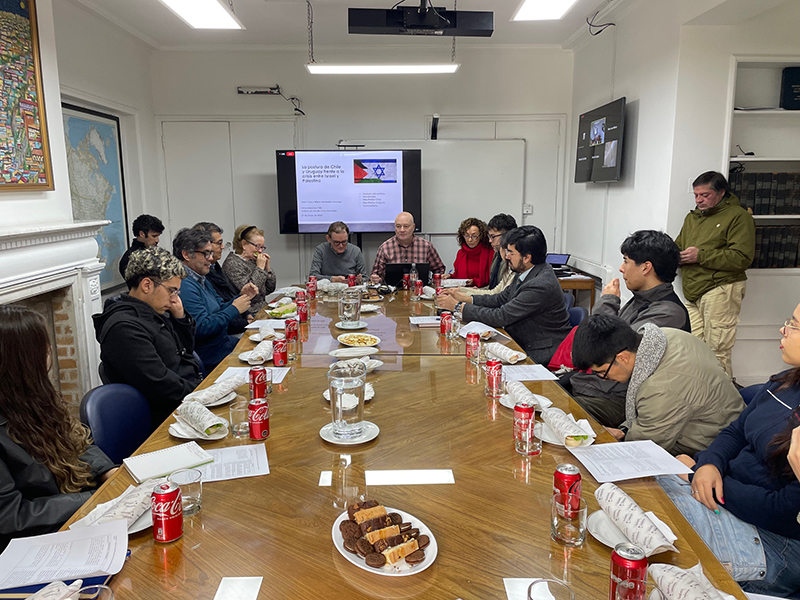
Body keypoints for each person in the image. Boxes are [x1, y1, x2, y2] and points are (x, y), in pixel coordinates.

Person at [658, 304, 800, 597]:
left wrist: (702, 477)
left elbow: (781, 510)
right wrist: (709, 463)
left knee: (657, 539)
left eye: (794, 325)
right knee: (645, 492)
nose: (783, 329)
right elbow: (735, 431)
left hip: (776, 542)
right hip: (731, 503)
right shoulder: (785, 383)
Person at [0, 305, 116, 551]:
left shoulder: (34, 397)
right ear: (24, 360)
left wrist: (107, 472)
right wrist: (92, 500)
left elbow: (77, 441)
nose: (50, 351)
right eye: (44, 346)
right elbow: (12, 517)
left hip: (77, 516)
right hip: (38, 544)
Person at [566, 230, 691, 427]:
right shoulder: (641, 298)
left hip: (621, 397)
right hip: (601, 386)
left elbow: (607, 346)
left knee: (561, 411)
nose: (621, 268)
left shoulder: (668, 312)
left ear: (646, 267)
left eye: (626, 261)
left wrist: (607, 302)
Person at [571, 315, 744, 455]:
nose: (603, 378)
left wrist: (623, 440)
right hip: (723, 422)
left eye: (602, 372)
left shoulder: (660, 388)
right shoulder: (667, 335)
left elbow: (641, 450)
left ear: (622, 357)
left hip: (714, 446)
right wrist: (624, 431)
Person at [94, 247, 204, 429]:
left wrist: (180, 319)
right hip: (164, 420)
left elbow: (184, 353)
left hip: (184, 403)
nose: (174, 298)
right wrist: (202, 393)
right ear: (147, 285)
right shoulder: (124, 328)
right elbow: (160, 384)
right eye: (172, 291)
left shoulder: (154, 312)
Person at [437, 226, 571, 364]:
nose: (506, 256)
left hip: (539, 351)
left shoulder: (540, 284)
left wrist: (458, 307)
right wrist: (465, 298)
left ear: (526, 258)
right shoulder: (526, 271)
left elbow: (502, 316)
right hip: (520, 340)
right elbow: (500, 298)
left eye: (510, 252)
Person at [676, 171, 755, 376]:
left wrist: (700, 256)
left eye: (705, 195)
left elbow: (741, 258)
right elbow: (678, 246)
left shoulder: (738, 216)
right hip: (693, 292)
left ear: (721, 193)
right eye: (696, 195)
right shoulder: (692, 217)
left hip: (720, 289)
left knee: (717, 352)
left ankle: (725, 405)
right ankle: (703, 400)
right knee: (695, 350)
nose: (699, 200)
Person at [175, 228, 257, 372]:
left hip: (224, 345)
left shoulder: (200, 278)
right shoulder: (184, 285)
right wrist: (234, 308)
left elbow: (220, 306)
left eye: (211, 253)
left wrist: (242, 297)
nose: (211, 258)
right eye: (206, 253)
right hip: (212, 356)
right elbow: (201, 327)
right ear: (186, 254)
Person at [192, 222, 249, 334]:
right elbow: (203, 326)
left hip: (230, 328)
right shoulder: (196, 279)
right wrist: (246, 322)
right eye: (219, 243)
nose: (222, 247)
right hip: (228, 331)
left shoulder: (213, 267)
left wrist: (243, 299)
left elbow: (222, 304)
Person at [370, 212, 445, 283]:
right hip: (391, 293)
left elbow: (439, 269)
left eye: (406, 226)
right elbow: (376, 274)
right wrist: (375, 278)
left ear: (413, 227)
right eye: (398, 226)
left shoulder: (426, 246)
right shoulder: (385, 248)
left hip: (420, 291)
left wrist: (432, 283)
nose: (402, 230)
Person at [222, 224, 277, 314]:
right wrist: (259, 268)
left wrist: (268, 269)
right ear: (244, 244)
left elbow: (269, 289)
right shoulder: (232, 264)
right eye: (257, 246)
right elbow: (251, 293)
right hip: (249, 313)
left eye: (262, 247)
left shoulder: (252, 260)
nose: (260, 251)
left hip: (263, 309)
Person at [450, 217, 494, 288]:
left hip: (482, 292)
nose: (470, 239)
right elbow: (458, 276)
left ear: (481, 236)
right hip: (462, 292)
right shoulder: (461, 253)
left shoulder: (490, 253)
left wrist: (474, 282)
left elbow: (493, 280)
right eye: (467, 236)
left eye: (474, 236)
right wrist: (450, 277)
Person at [119, 214, 164, 278]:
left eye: (158, 236)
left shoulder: (155, 252)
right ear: (142, 234)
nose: (157, 240)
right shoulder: (130, 258)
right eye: (154, 236)